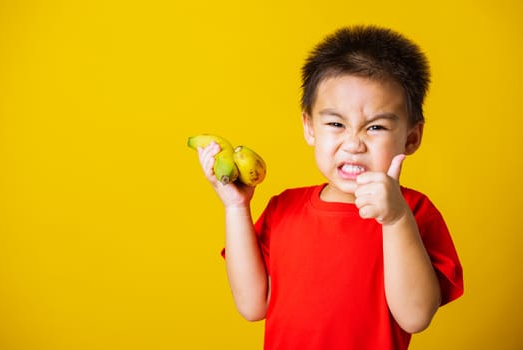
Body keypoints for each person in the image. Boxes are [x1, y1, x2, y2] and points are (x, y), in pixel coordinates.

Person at [196, 25, 463, 350]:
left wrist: (395, 219)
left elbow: (416, 316)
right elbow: (252, 306)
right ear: (309, 127)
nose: (353, 144)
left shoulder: (414, 212)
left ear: (411, 138)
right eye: (336, 124)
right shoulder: (284, 208)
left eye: (376, 127)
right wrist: (236, 207)